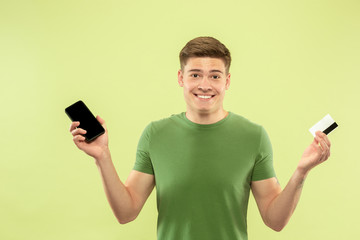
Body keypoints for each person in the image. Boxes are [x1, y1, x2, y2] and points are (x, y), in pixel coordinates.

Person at [69, 37, 331, 240]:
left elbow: (275, 220)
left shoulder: (253, 136)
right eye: (195, 74)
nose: (204, 84)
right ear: (181, 78)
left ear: (226, 82)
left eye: (214, 76)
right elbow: (126, 213)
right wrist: (102, 157)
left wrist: (301, 172)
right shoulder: (155, 134)